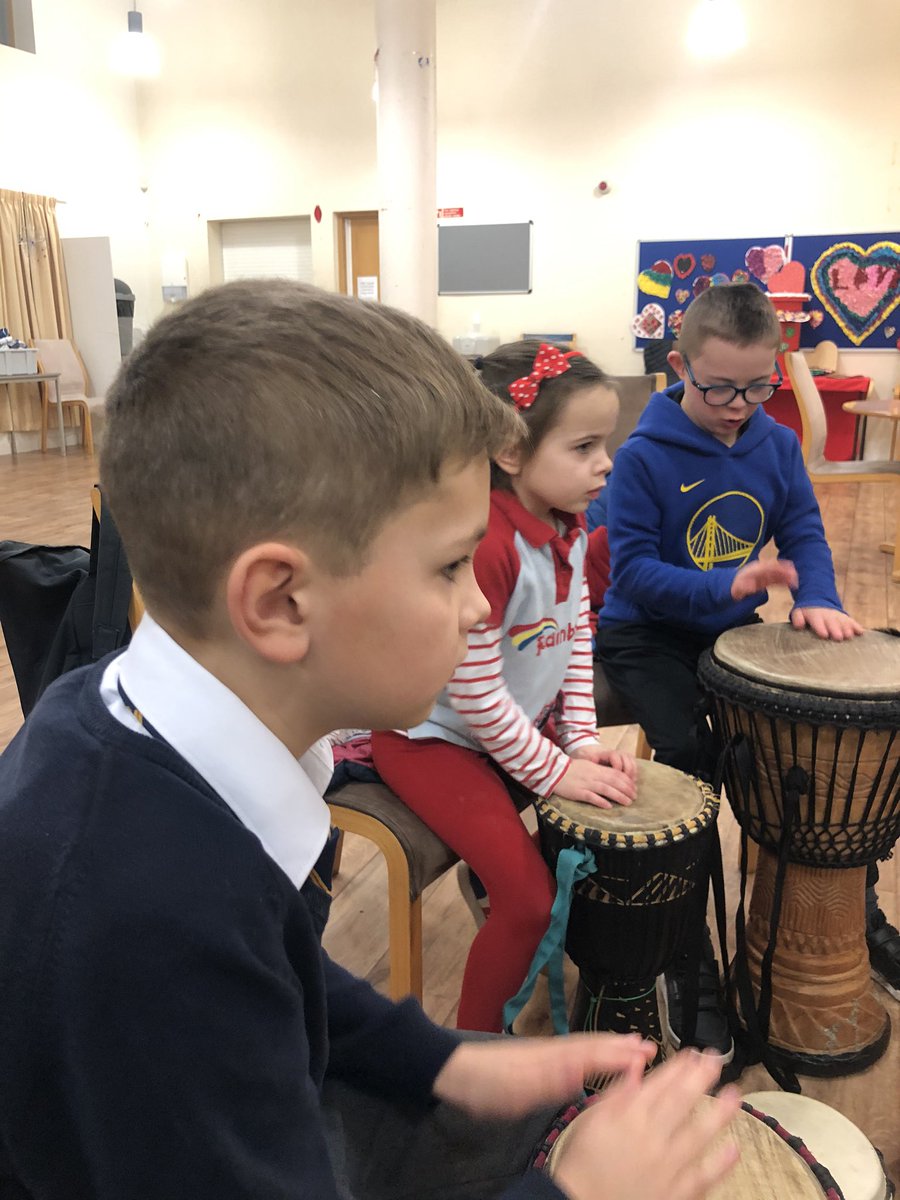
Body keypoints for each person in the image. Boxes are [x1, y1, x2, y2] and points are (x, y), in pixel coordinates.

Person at [0, 281, 741, 1200]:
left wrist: (442, 1062)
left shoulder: (112, 713)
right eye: (448, 567)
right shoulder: (144, 931)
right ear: (280, 602)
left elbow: (279, 969)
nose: (479, 607)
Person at [594, 282, 881, 1060]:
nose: (737, 405)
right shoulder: (645, 457)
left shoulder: (776, 444)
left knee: (819, 733)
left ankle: (857, 914)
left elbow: (803, 531)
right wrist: (732, 584)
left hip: (724, 626)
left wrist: (815, 597)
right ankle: (689, 960)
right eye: (718, 386)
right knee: (691, 760)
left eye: (758, 386)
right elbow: (635, 576)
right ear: (680, 365)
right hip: (643, 635)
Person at [372, 342, 637, 1035]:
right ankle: (470, 1064)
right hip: (432, 741)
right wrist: (556, 772)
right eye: (583, 446)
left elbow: (579, 634)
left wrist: (579, 736)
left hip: (507, 733)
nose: (604, 463)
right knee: (528, 903)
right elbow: (476, 697)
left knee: (588, 833)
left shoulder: (570, 527)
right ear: (511, 453)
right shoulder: (488, 544)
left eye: (603, 444)